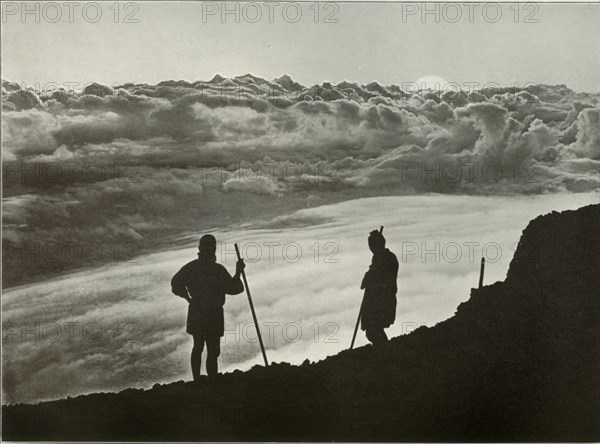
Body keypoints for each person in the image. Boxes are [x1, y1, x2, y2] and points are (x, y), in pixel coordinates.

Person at [171, 234, 245, 381]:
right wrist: (238, 272)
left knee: (205, 348)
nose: (211, 250)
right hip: (209, 313)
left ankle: (202, 380)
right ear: (202, 249)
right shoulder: (215, 270)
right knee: (207, 348)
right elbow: (235, 288)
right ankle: (206, 380)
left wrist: (188, 298)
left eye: (212, 247)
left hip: (201, 312)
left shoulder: (196, 268)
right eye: (209, 247)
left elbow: (233, 288)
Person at [360, 229, 399, 346]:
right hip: (380, 301)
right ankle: (383, 351)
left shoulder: (385, 259)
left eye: (371, 245)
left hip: (381, 302)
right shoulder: (381, 258)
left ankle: (384, 353)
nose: (370, 248)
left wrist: (370, 278)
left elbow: (380, 278)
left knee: (373, 330)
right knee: (374, 330)